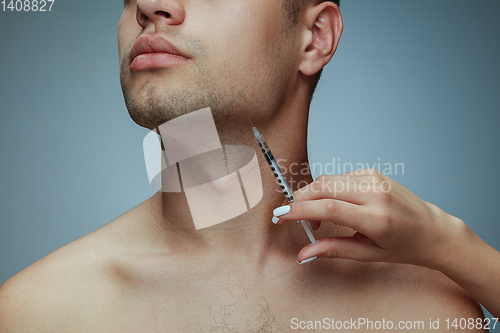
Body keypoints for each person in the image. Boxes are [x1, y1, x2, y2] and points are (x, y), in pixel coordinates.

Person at [0, 0, 496, 331]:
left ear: (315, 37)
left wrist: (455, 245)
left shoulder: (430, 309)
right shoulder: (37, 313)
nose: (151, 7)